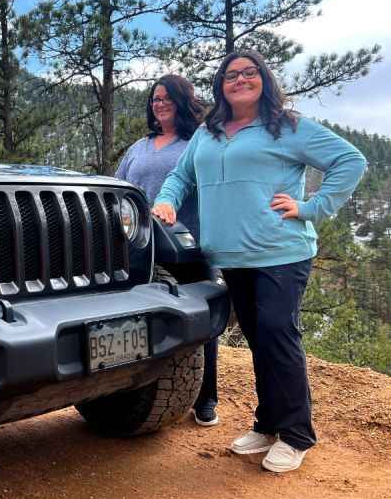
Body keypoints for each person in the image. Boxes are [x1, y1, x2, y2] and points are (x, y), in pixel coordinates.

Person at [151, 50, 366, 473]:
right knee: (258, 338)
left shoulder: (286, 126)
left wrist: (311, 207)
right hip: (231, 255)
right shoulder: (208, 133)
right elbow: (181, 176)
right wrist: (165, 200)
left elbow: (351, 161)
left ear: (264, 79)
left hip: (281, 252)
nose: (240, 79)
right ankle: (268, 425)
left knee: (275, 334)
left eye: (250, 72)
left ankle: (297, 434)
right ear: (220, 86)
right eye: (231, 75)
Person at [115, 74, 220, 427]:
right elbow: (119, 192)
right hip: (140, 252)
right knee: (144, 322)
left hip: (187, 247)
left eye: (167, 98)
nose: (159, 104)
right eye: (155, 99)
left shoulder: (197, 144)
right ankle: (140, 392)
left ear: (182, 102)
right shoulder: (138, 148)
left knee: (199, 324)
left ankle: (206, 398)